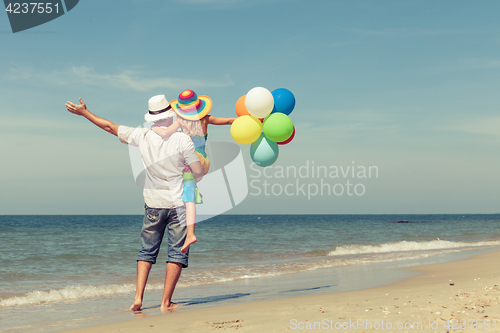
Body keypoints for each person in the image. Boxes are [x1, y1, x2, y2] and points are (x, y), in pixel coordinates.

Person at [65, 95, 204, 313]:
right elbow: (198, 171)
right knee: (177, 252)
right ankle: (166, 302)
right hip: (178, 203)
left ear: (152, 117)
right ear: (171, 114)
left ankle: (138, 298)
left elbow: (110, 127)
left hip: (153, 203)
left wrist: (85, 113)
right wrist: (194, 171)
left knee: (147, 251)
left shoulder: (142, 135)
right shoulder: (182, 139)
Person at [150, 90, 235, 254]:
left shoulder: (181, 121)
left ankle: (189, 233)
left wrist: (155, 128)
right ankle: (186, 228)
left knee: (186, 196)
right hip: (201, 161)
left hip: (187, 161)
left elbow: (166, 133)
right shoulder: (205, 119)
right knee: (188, 194)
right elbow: (230, 120)